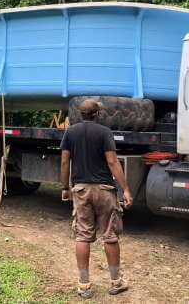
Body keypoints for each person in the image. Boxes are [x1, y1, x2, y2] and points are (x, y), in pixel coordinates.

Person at [60, 99, 133, 298]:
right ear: (97, 114)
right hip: (104, 190)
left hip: (81, 190)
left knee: (82, 235)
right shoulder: (104, 132)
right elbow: (112, 161)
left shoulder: (70, 132)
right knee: (110, 235)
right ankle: (116, 282)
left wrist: (65, 187)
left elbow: (65, 160)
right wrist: (125, 189)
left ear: (80, 114)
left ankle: (84, 285)